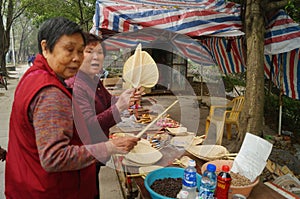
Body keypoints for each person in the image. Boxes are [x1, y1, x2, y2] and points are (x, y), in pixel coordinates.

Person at [5, 17, 139, 199]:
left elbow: (106, 103)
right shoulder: (51, 92)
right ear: (45, 48)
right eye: (69, 50)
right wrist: (108, 147)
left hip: (30, 180)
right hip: (52, 189)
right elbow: (55, 157)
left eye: (80, 51)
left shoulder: (36, 75)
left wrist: (123, 100)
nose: (77, 58)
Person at [65, 32, 144, 198]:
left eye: (100, 52)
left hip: (97, 153)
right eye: (89, 51)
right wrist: (120, 106)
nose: (96, 57)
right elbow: (88, 125)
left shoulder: (93, 79)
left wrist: (126, 98)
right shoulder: (76, 85)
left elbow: (109, 101)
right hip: (85, 153)